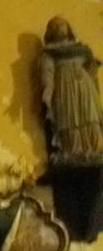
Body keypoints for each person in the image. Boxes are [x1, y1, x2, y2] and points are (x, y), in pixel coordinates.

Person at [39, 16, 103, 162]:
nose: (59, 28)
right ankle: (73, 150)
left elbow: (90, 68)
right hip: (64, 87)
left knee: (89, 115)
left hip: (84, 86)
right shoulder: (49, 53)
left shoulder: (82, 48)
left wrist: (94, 65)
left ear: (68, 28)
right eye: (55, 26)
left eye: (62, 24)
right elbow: (47, 71)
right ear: (50, 32)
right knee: (68, 117)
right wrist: (48, 88)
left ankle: (95, 147)